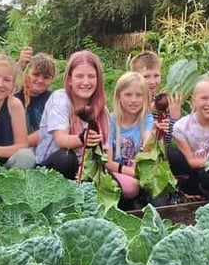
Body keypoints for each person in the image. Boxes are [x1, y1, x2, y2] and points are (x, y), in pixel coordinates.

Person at [36, 50, 108, 179]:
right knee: (66, 158)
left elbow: (106, 149)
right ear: (69, 80)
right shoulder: (60, 99)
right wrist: (82, 138)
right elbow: (61, 140)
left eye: (91, 76)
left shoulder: (102, 109)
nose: (86, 82)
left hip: (86, 167)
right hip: (51, 165)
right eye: (79, 76)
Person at [104, 72, 158, 204]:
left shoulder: (147, 120)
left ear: (146, 98)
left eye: (139, 95)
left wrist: (156, 135)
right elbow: (108, 163)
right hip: (115, 171)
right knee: (130, 187)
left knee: (158, 195)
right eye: (128, 94)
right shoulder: (109, 121)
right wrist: (133, 172)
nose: (133, 100)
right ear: (118, 96)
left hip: (138, 169)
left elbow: (146, 148)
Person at [130, 51, 182, 143]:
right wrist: (149, 110)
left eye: (156, 75)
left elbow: (169, 140)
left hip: (159, 151)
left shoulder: (162, 102)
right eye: (146, 76)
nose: (153, 82)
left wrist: (174, 118)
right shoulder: (130, 102)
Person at [15, 51, 57, 149]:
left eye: (46, 77)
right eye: (35, 75)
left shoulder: (53, 99)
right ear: (26, 73)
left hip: (40, 149)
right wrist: (20, 65)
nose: (40, 80)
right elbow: (6, 80)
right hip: (12, 147)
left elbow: (49, 129)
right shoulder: (14, 93)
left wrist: (20, 145)